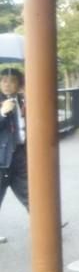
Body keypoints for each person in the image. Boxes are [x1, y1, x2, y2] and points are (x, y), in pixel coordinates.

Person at [0, 68, 28, 240]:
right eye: (3, 80)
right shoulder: (3, 103)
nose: (7, 84)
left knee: (29, 191)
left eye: (11, 81)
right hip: (2, 157)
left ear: (19, 85)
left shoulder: (23, 100)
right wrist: (3, 113)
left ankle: (45, 223)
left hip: (20, 153)